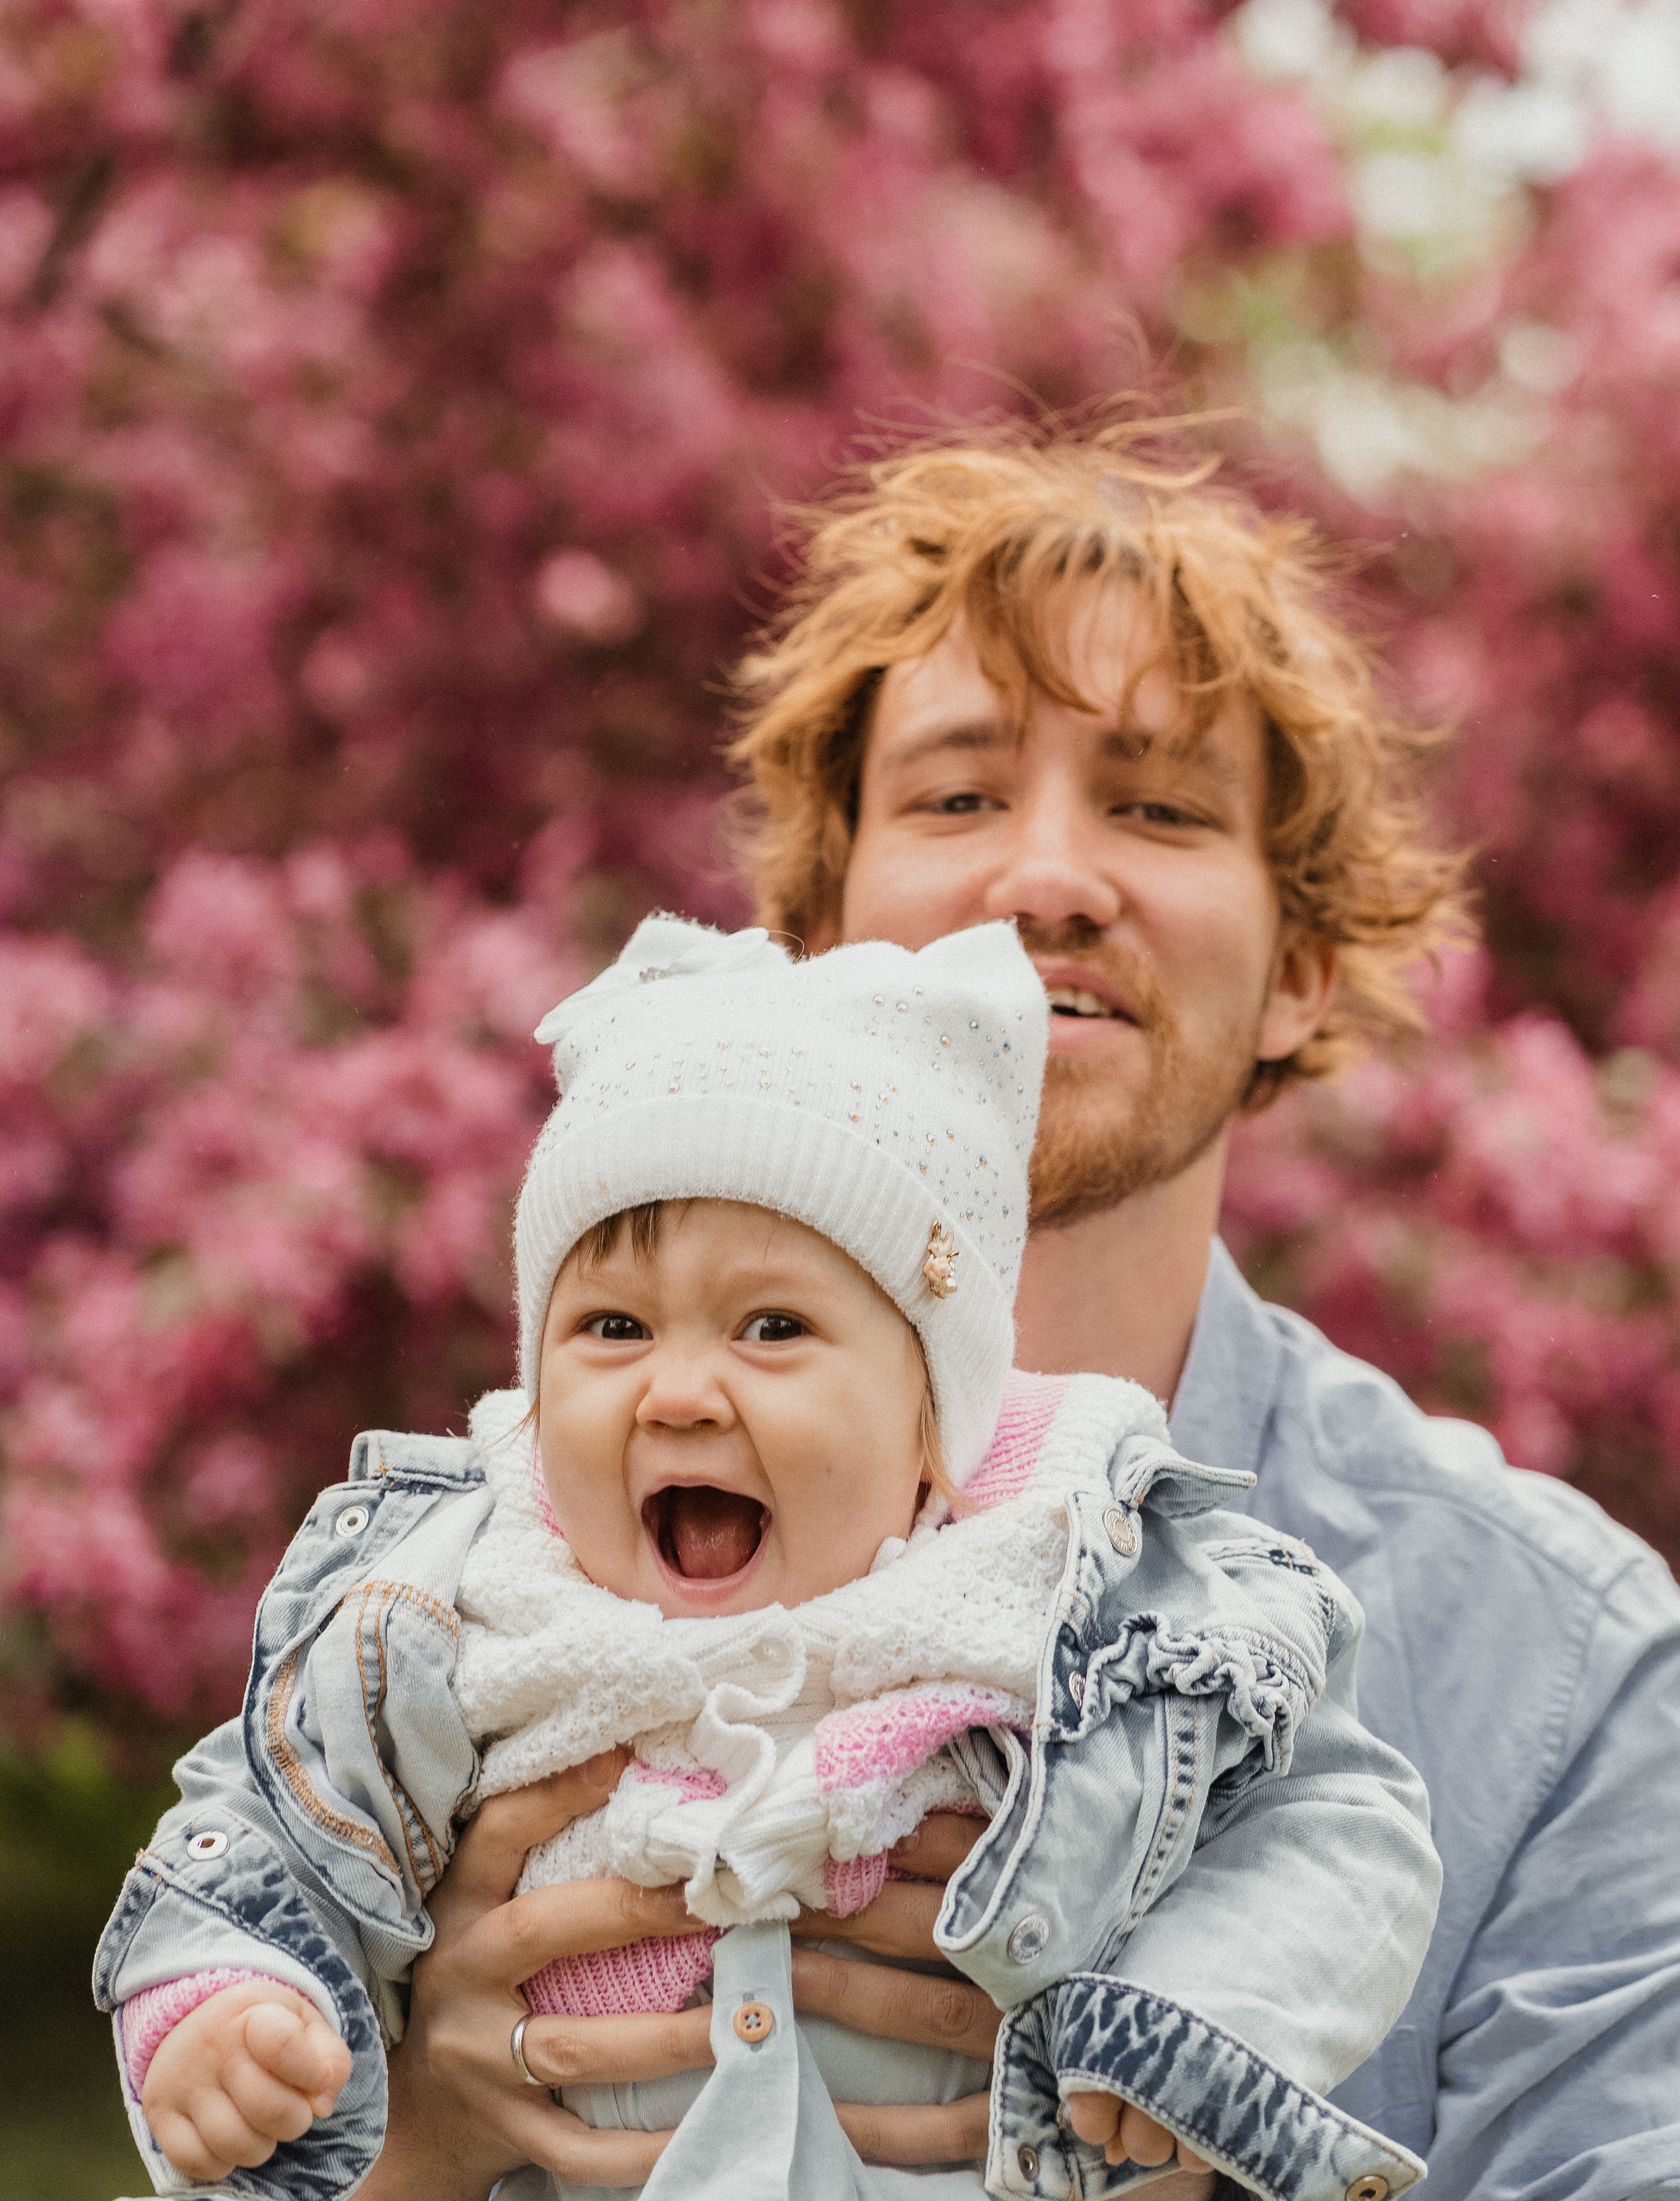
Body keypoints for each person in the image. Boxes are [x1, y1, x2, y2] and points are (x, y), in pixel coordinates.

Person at [239, 426, 1680, 2201]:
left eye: (1154, 807)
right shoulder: (450, 1584)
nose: (1046, 881)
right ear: (820, 933)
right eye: (956, 797)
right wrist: (413, 2150)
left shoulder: (1550, 1657)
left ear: (1298, 969)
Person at [95, 910, 1443, 2201]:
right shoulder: (463, 1609)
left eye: (773, 1330)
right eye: (612, 1329)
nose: (677, 1393)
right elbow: (264, 1820)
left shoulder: (1064, 1598)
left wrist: (1195, 2022)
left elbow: (1331, 1822)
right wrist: (227, 2002)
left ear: (935, 1427)